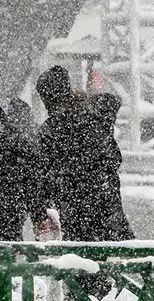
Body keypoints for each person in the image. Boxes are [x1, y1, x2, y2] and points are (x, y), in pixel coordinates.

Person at [35, 65, 135, 244]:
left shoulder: (51, 131)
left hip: (76, 217)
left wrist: (41, 210)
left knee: (82, 264)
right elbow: (113, 159)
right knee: (119, 261)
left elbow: (42, 176)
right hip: (109, 211)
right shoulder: (94, 119)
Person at [0, 99, 48, 240]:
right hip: (11, 201)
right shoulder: (18, 141)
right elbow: (32, 177)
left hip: (11, 200)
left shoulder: (15, 141)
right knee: (11, 239)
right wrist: (38, 213)